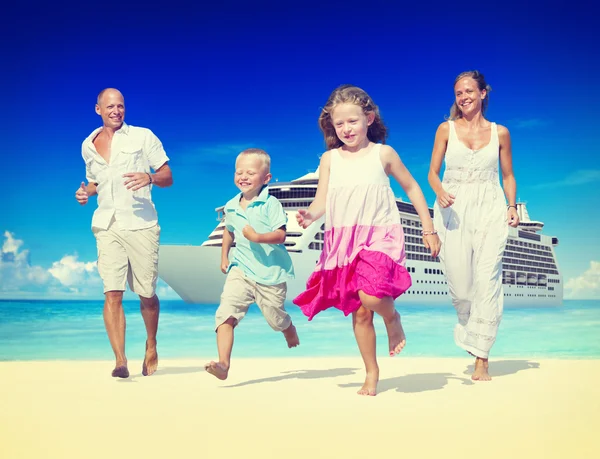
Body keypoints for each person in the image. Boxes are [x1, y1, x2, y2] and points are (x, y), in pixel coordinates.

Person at [293, 85, 441, 396]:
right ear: (332, 126)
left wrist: (428, 227)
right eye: (339, 124)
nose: (346, 129)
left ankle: (392, 317)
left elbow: (413, 188)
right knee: (360, 311)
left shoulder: (382, 154)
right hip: (343, 239)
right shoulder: (329, 159)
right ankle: (372, 372)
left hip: (379, 233)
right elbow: (322, 201)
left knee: (372, 298)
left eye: (353, 121)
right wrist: (311, 215)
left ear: (369, 118)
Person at [75, 88, 173, 378]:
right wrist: (85, 192)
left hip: (141, 223)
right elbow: (95, 183)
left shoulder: (143, 136)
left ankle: (151, 343)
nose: (116, 111)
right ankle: (120, 360)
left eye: (120, 106)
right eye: (110, 107)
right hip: (106, 224)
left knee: (146, 294)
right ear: (98, 110)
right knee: (112, 292)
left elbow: (167, 176)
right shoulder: (88, 145)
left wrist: (150, 177)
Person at [428, 70, 519, 381]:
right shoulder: (445, 129)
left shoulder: (501, 133)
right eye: (458, 93)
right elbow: (432, 173)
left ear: (483, 93)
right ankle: (471, 328)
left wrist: (511, 207)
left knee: (487, 280)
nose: (463, 97)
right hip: (452, 210)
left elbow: (507, 176)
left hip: (490, 208)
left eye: (469, 91)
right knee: (461, 284)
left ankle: (482, 357)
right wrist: (439, 190)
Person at [205, 148, 299, 381]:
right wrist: (224, 256)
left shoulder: (271, 204)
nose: (243, 177)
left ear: (266, 178)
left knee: (275, 319)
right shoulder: (231, 205)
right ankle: (224, 364)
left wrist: (257, 237)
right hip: (241, 270)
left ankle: (288, 327)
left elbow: (280, 235)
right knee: (225, 314)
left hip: (270, 274)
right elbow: (229, 231)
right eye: (239, 172)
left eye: (250, 172)